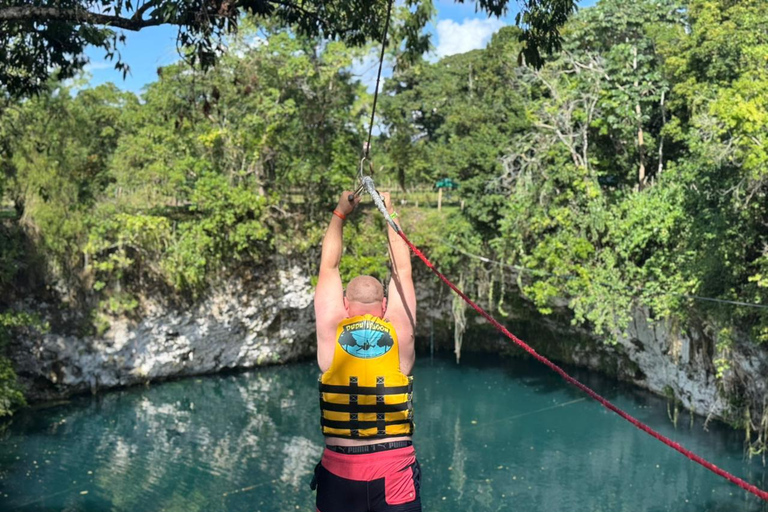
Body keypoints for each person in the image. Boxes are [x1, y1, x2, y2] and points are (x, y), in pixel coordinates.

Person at [311, 190, 420, 512]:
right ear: (384, 306)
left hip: (340, 473)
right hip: (394, 470)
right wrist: (389, 212)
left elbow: (328, 267)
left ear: (346, 305)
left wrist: (340, 213)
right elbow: (403, 271)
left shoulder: (332, 328)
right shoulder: (399, 331)